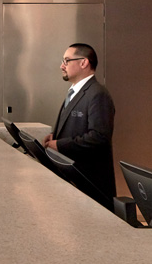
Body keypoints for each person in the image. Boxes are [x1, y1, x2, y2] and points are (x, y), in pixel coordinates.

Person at [44, 42, 116, 203]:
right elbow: (76, 127)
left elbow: (99, 138)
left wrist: (60, 145)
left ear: (84, 62)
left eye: (66, 60)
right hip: (73, 182)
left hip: (90, 185)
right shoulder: (74, 92)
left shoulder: (98, 94)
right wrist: (55, 136)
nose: (62, 66)